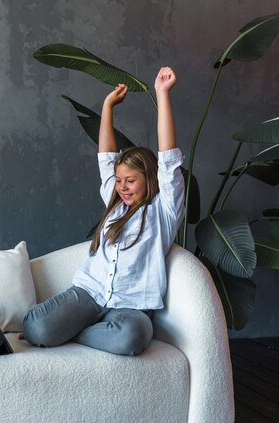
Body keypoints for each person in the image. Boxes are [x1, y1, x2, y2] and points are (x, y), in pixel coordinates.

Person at [22, 67, 185, 356]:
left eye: (131, 181)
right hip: (89, 295)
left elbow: (169, 158)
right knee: (36, 328)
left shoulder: (164, 210)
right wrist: (107, 107)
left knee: (130, 338)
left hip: (132, 308)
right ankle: (76, 329)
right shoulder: (115, 203)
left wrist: (162, 94)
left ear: (150, 179)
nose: (122, 187)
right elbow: (106, 157)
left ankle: (77, 333)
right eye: (119, 180)